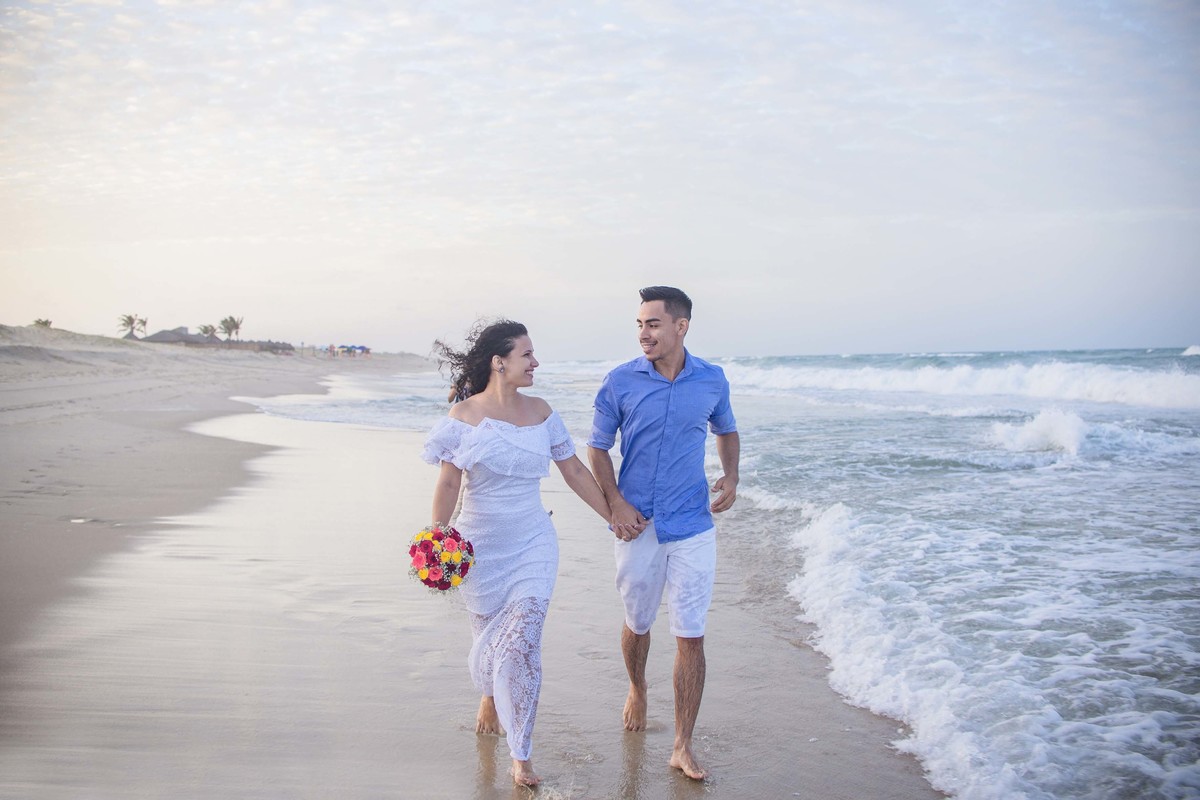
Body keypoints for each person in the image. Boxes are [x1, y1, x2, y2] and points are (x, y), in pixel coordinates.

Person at [422, 319, 612, 787]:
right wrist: (435, 538)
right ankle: (488, 692)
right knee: (490, 638)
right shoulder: (463, 416)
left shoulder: (543, 413)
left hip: (533, 543)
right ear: (499, 361)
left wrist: (613, 516)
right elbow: (448, 482)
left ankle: (521, 754)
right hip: (478, 549)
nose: (535, 362)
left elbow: (573, 472)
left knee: (521, 644)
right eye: (527, 354)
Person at [586, 286, 740, 781]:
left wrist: (732, 475)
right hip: (639, 526)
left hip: (693, 521)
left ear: (681, 326)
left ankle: (682, 744)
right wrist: (616, 503)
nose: (644, 333)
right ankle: (637, 687)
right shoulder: (620, 381)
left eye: (653, 323)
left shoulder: (712, 380)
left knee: (691, 633)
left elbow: (727, 430)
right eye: (639, 324)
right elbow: (597, 448)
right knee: (638, 623)